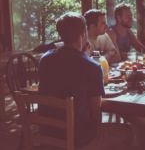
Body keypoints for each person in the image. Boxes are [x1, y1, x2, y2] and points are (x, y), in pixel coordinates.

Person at [38, 12, 132, 150]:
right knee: (127, 132)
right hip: (79, 140)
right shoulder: (92, 66)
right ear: (84, 32)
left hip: (48, 134)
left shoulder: (45, 60)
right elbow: (96, 114)